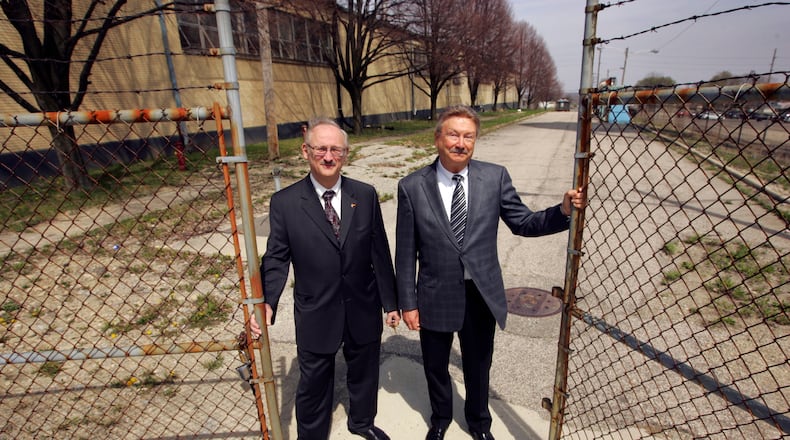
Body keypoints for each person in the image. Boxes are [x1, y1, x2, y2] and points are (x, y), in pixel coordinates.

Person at [395, 106, 586, 440]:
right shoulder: (412, 186)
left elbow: (523, 223)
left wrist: (562, 211)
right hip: (435, 293)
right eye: (453, 134)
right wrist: (408, 303)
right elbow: (406, 250)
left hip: (480, 293)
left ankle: (479, 423)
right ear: (438, 138)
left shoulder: (494, 177)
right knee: (436, 365)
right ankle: (440, 418)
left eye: (468, 136)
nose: (461, 142)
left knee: (478, 365)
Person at [252, 118, 400, 440]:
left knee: (364, 373)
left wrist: (391, 302)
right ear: (306, 151)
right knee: (315, 382)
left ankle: (362, 422)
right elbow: (276, 258)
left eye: (336, 149)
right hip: (316, 310)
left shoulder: (365, 195)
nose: (328, 156)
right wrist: (267, 302)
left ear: (345, 154)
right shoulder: (286, 203)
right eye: (321, 148)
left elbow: (379, 252)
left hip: (362, 304)